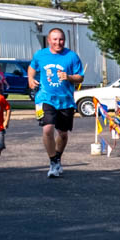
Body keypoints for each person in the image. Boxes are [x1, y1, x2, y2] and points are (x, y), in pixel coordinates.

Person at [27, 28, 85, 179]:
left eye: (61, 39)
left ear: (64, 40)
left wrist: (69, 77)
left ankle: (57, 157)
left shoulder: (71, 56)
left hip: (65, 100)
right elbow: (31, 68)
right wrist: (30, 79)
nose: (58, 42)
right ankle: (53, 162)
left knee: (63, 134)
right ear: (49, 40)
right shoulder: (40, 55)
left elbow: (80, 77)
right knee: (47, 129)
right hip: (45, 98)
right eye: (55, 39)